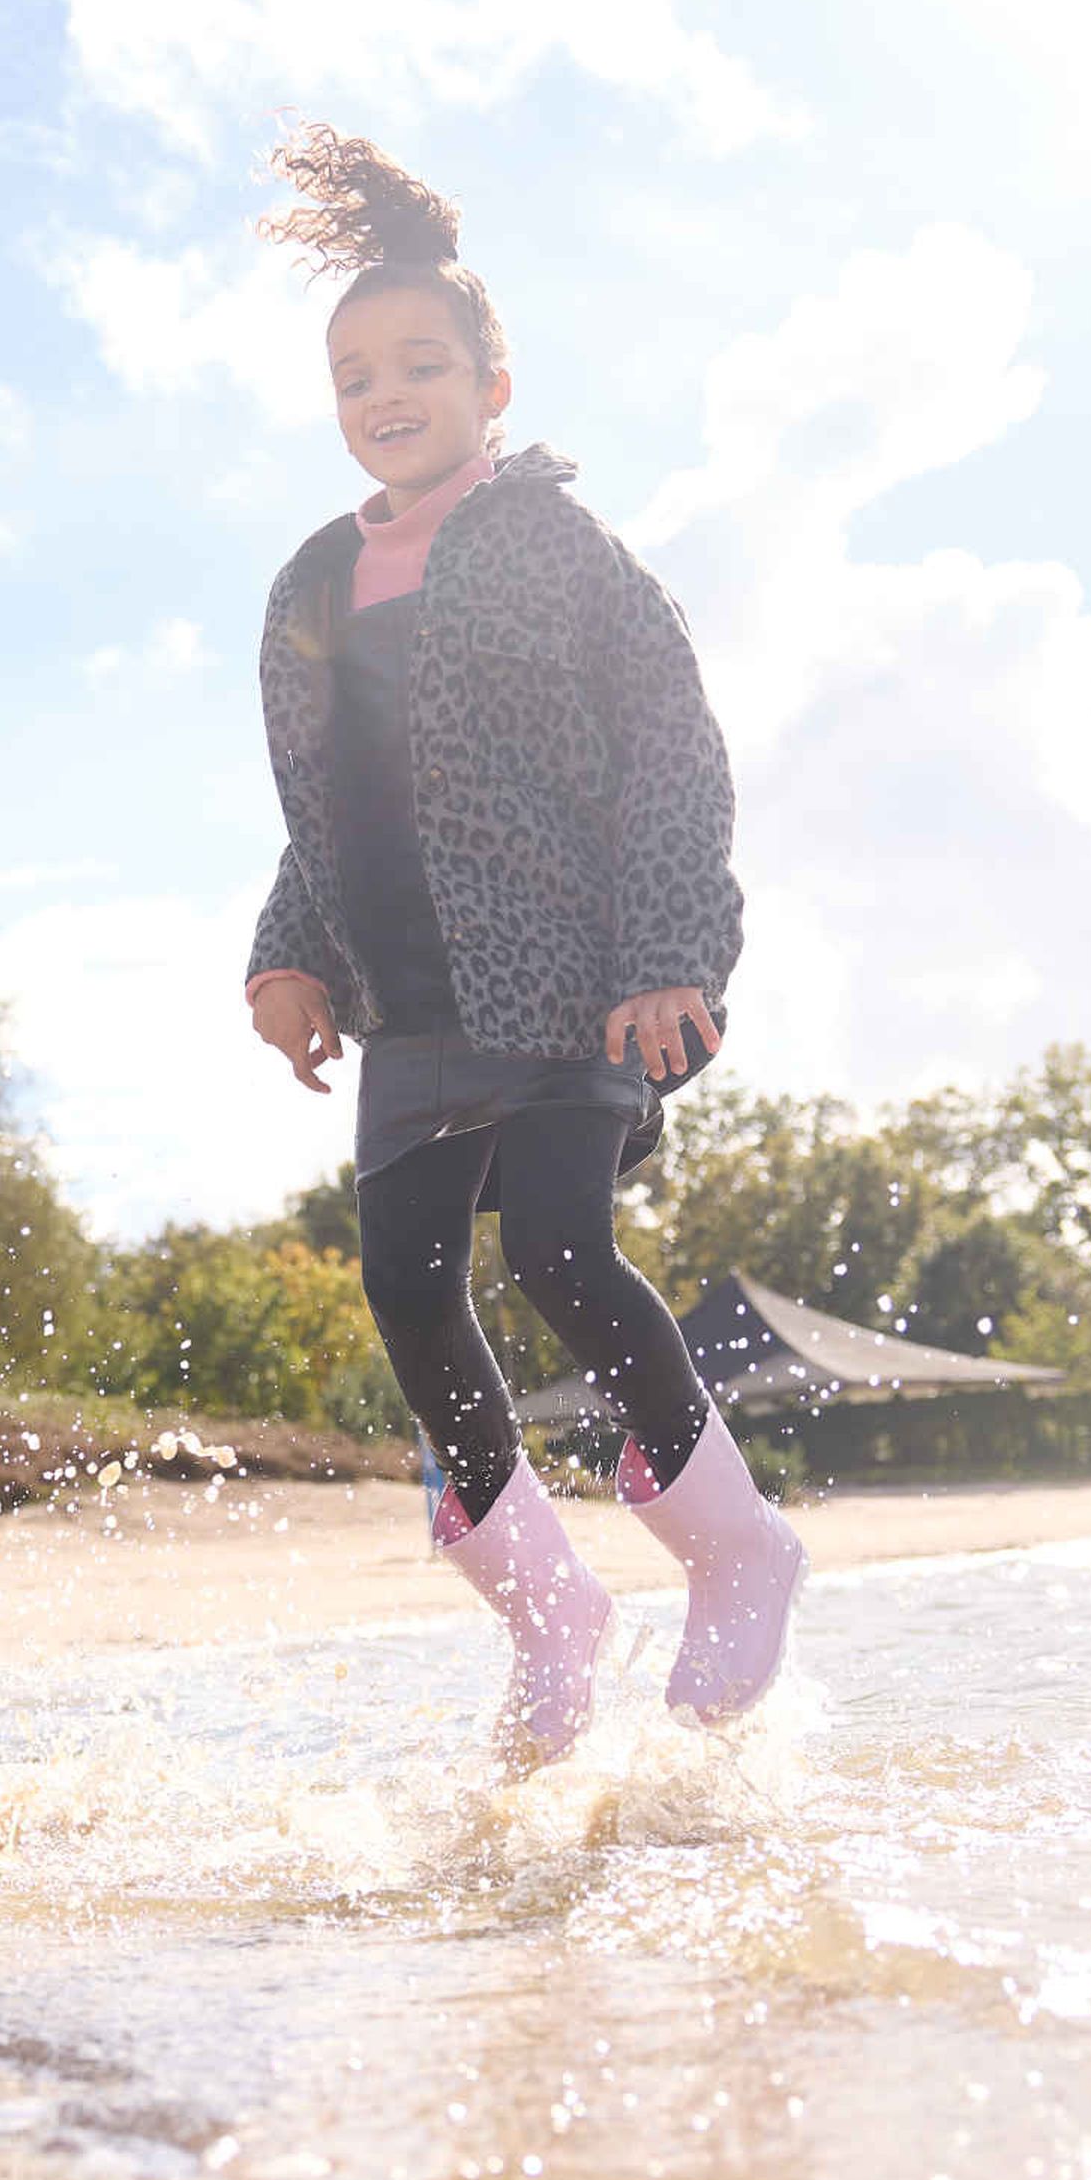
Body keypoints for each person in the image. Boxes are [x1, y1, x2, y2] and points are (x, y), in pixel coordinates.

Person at [240, 125, 805, 1765]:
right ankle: (551, 1613)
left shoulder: (558, 546)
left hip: (570, 984)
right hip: (410, 1008)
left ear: (495, 378)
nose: (386, 391)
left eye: (422, 362)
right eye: (356, 373)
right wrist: (290, 957)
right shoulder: (314, 585)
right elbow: (323, 804)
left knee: (559, 1247)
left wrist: (670, 954)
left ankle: (734, 1544)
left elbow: (673, 752)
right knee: (410, 1299)